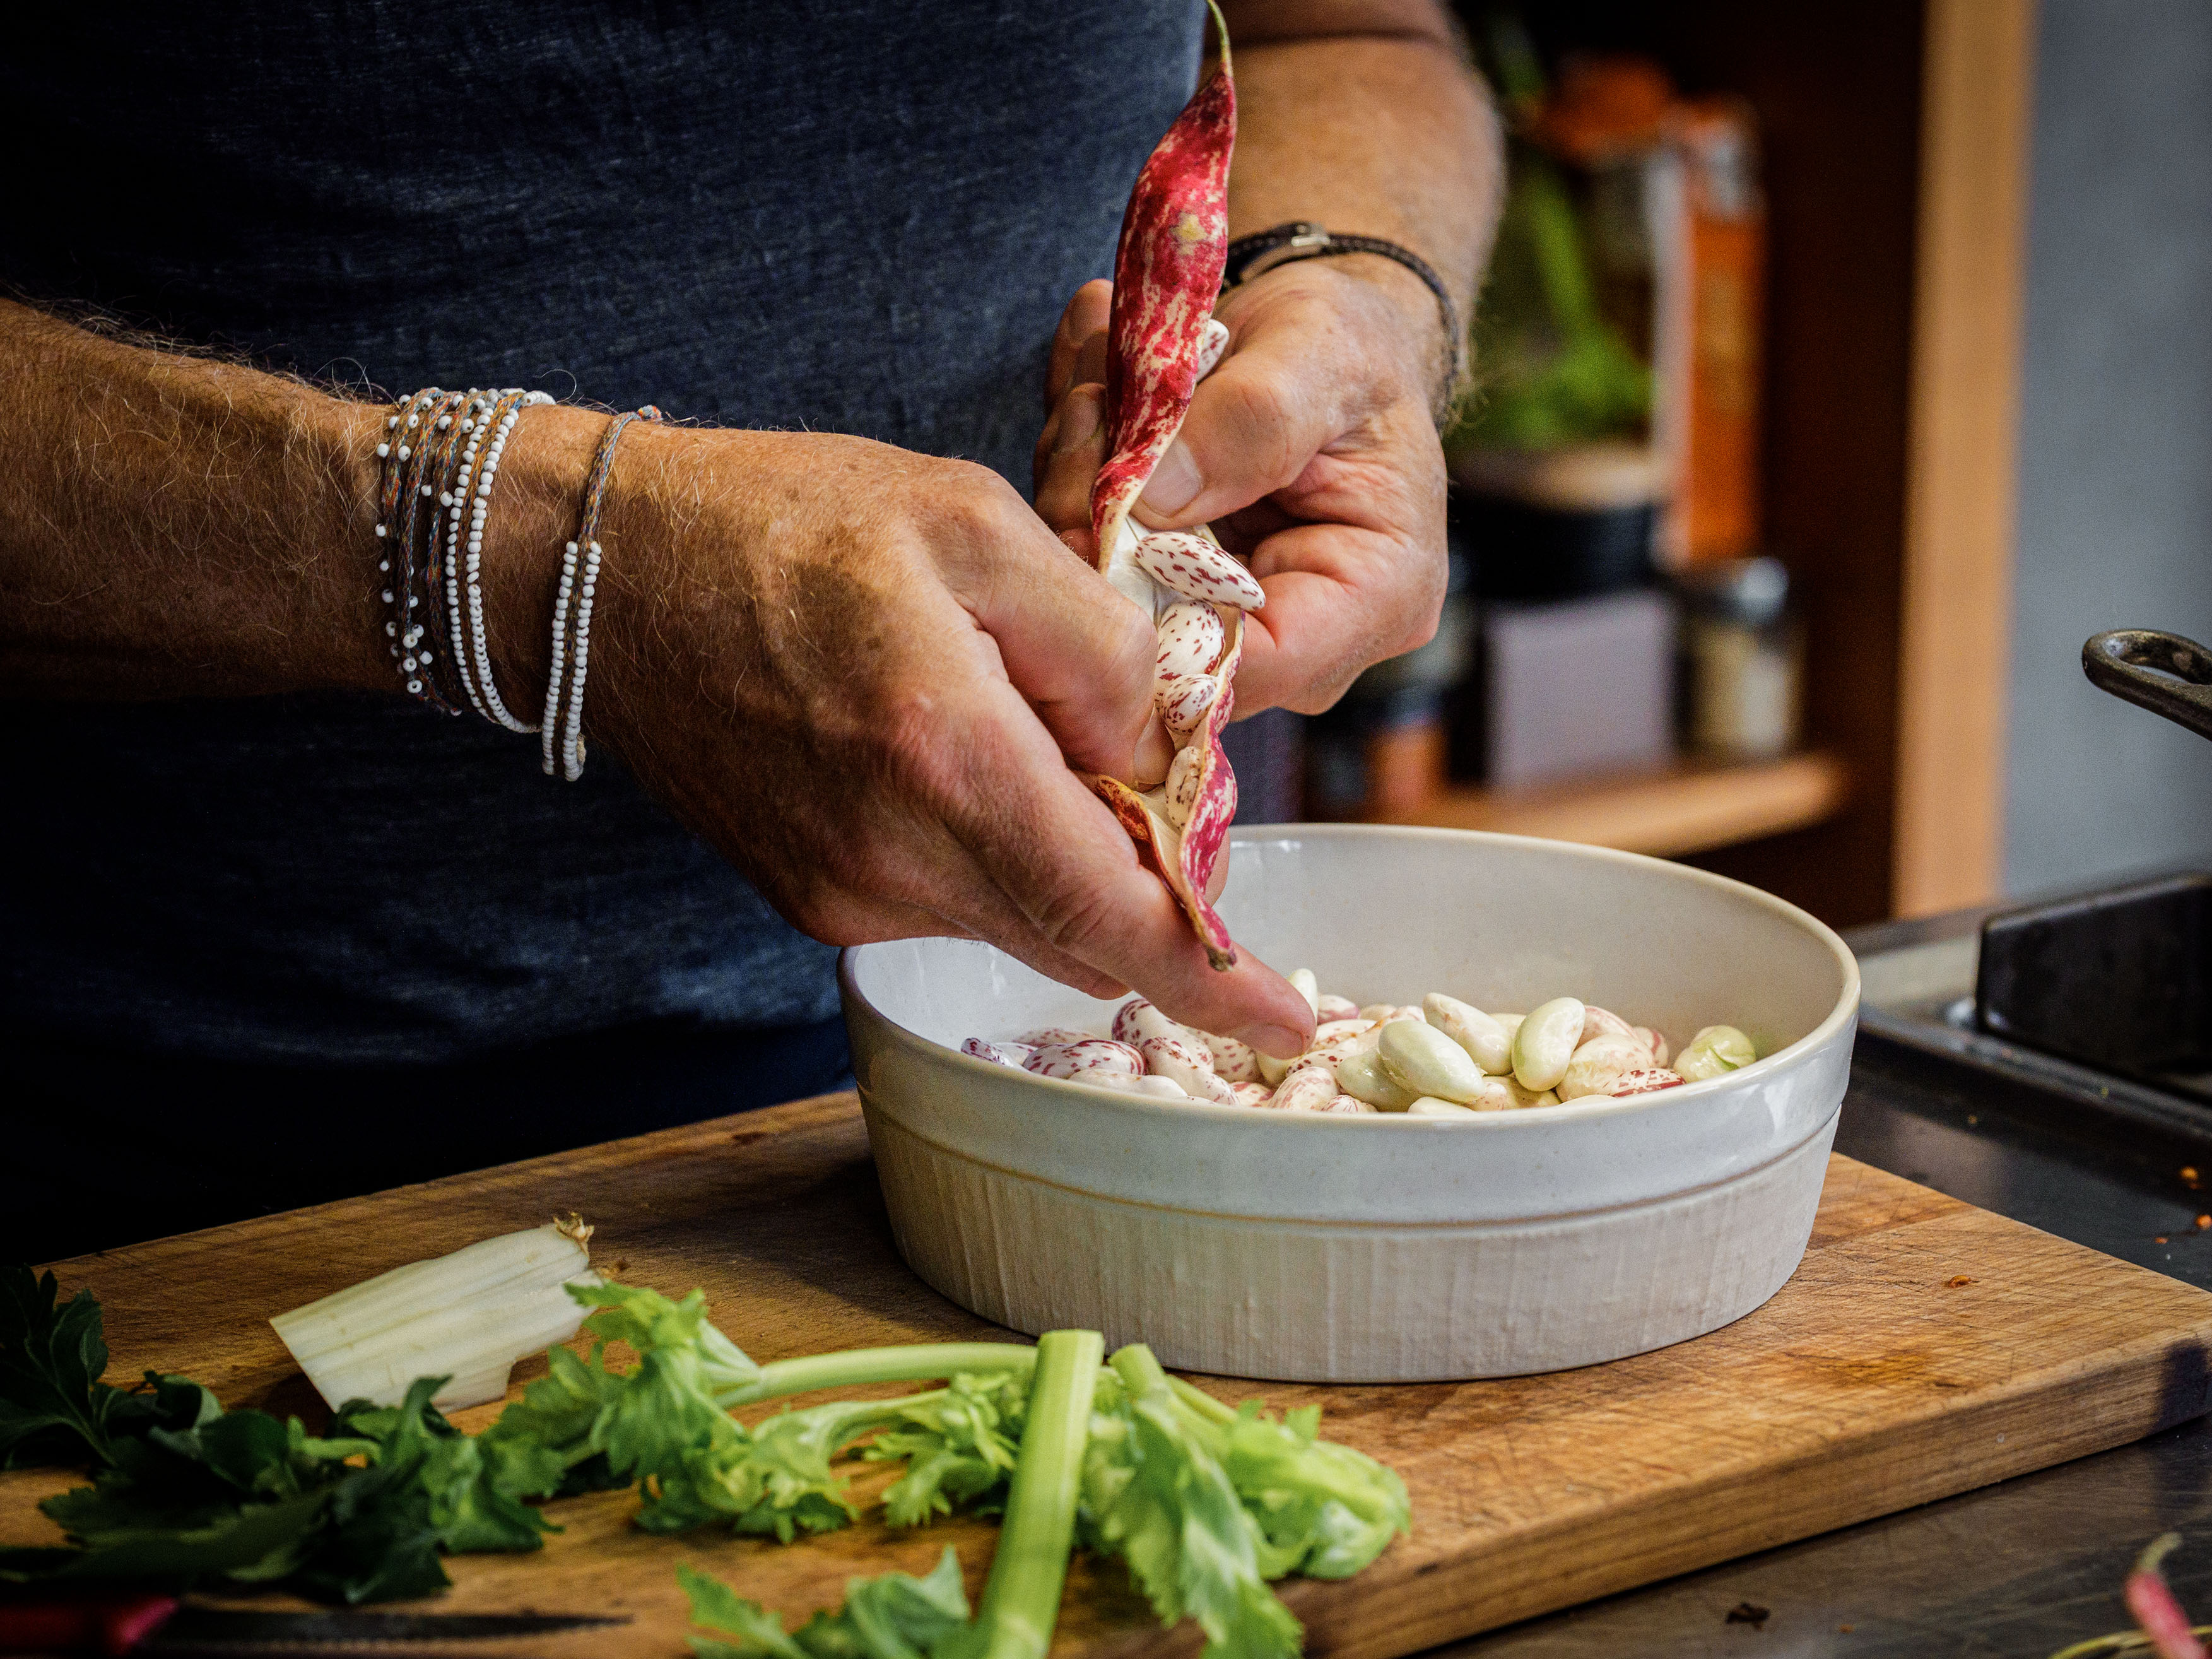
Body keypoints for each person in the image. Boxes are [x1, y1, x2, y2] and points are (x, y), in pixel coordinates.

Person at [0, 1, 1500, 1255]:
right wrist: (558, 564)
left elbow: (1342, 28)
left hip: (1059, 1042)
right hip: (167, 1122)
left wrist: (1357, 287)